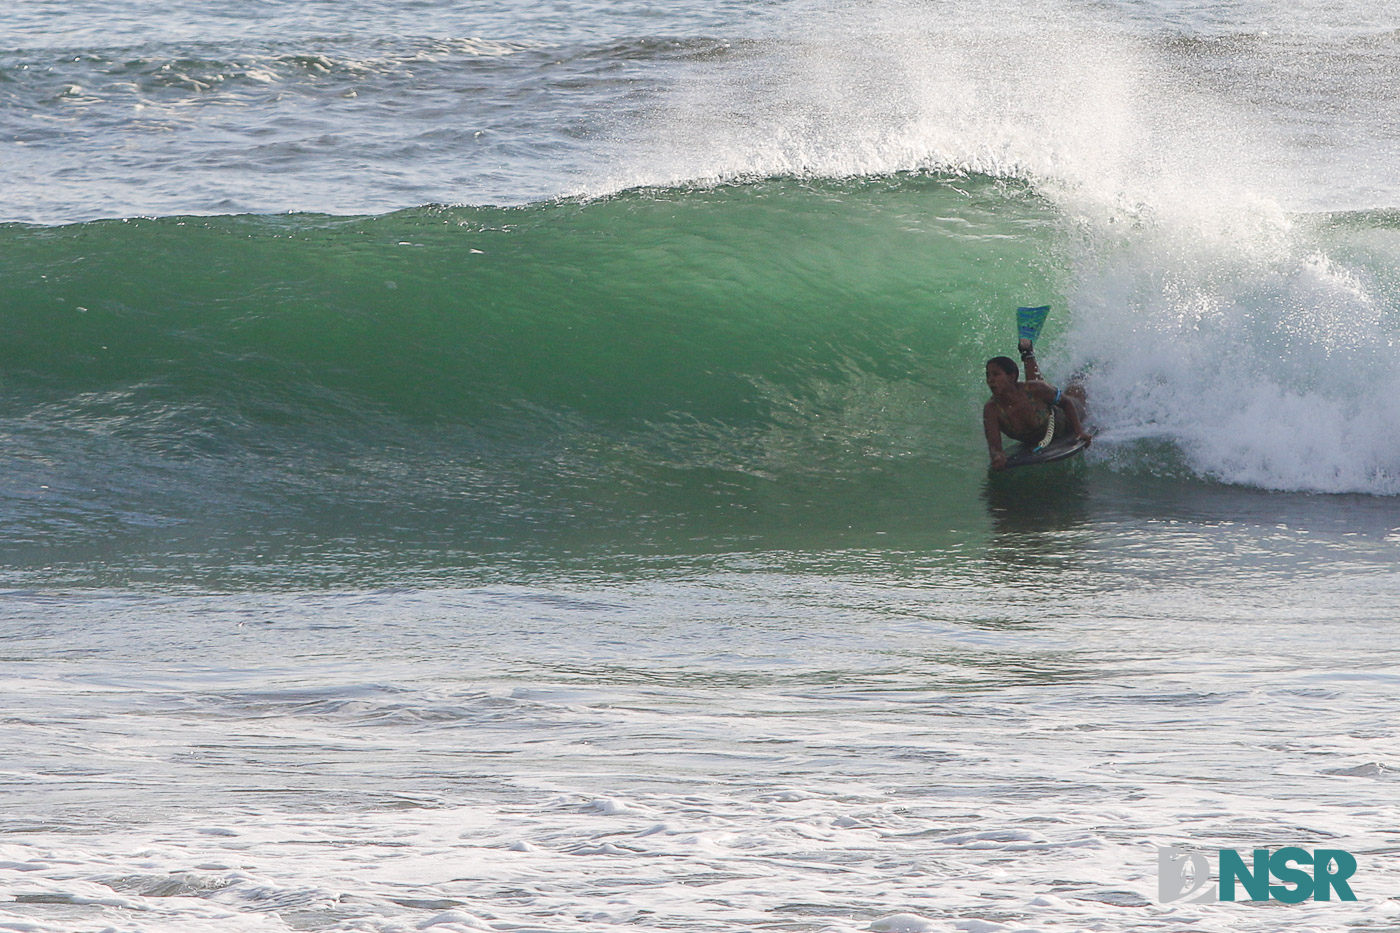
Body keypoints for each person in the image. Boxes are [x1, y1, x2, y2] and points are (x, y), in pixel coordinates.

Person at [983, 338, 1091, 470]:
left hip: (1064, 419)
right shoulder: (992, 409)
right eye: (988, 375)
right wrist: (998, 456)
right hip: (1042, 432)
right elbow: (994, 447)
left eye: (996, 374)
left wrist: (1079, 431)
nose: (990, 380)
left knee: (1076, 392)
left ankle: (1082, 375)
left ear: (1011, 377)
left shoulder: (1035, 389)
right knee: (1039, 387)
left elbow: (1067, 403)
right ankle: (1027, 352)